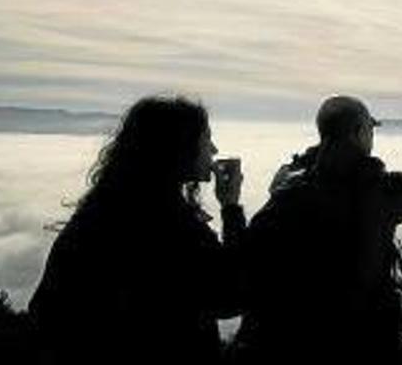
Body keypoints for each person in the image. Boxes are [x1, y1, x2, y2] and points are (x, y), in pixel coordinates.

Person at [235, 95, 402, 364]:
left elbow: (248, 263)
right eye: (371, 129)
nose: (373, 137)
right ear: (358, 132)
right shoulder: (377, 191)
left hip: (291, 342)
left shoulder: (287, 191)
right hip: (360, 343)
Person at [28, 95, 245, 365]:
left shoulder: (103, 210)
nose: (213, 149)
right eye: (205, 138)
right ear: (178, 148)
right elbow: (230, 294)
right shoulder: (170, 223)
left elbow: (44, 311)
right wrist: (231, 208)